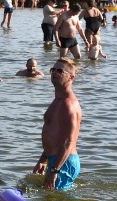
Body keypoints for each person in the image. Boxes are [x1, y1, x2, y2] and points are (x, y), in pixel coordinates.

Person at [33, 58, 82, 191]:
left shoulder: (68, 104)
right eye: (53, 70)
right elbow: (55, 136)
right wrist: (43, 159)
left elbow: (68, 142)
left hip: (63, 162)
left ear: (71, 77)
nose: (54, 73)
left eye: (60, 71)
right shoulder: (58, 100)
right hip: (56, 160)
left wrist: (54, 170)